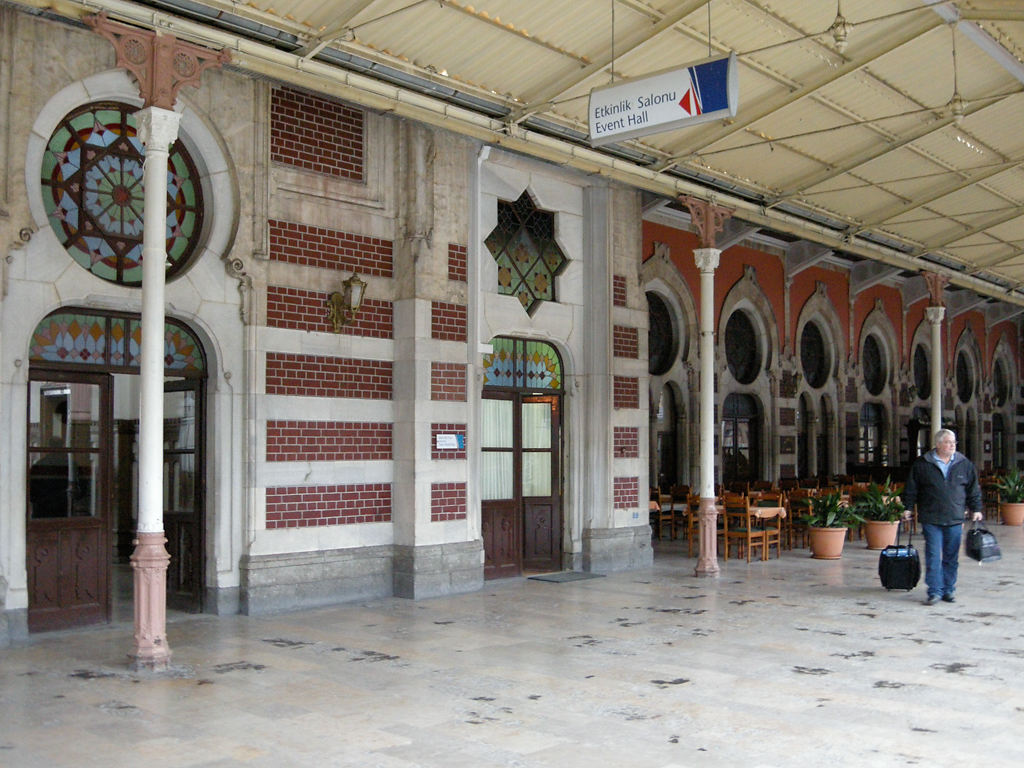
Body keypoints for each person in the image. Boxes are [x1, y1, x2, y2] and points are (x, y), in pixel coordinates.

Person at [900, 429, 983, 606]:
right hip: (931, 518)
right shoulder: (922, 464)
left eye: (954, 442)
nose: (952, 445)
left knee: (951, 557)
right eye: (948, 442)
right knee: (933, 556)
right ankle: (934, 591)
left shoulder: (964, 464)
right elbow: (911, 488)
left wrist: (976, 508)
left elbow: (973, 489)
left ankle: (949, 589)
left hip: (955, 518)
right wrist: (907, 507)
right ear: (938, 444)